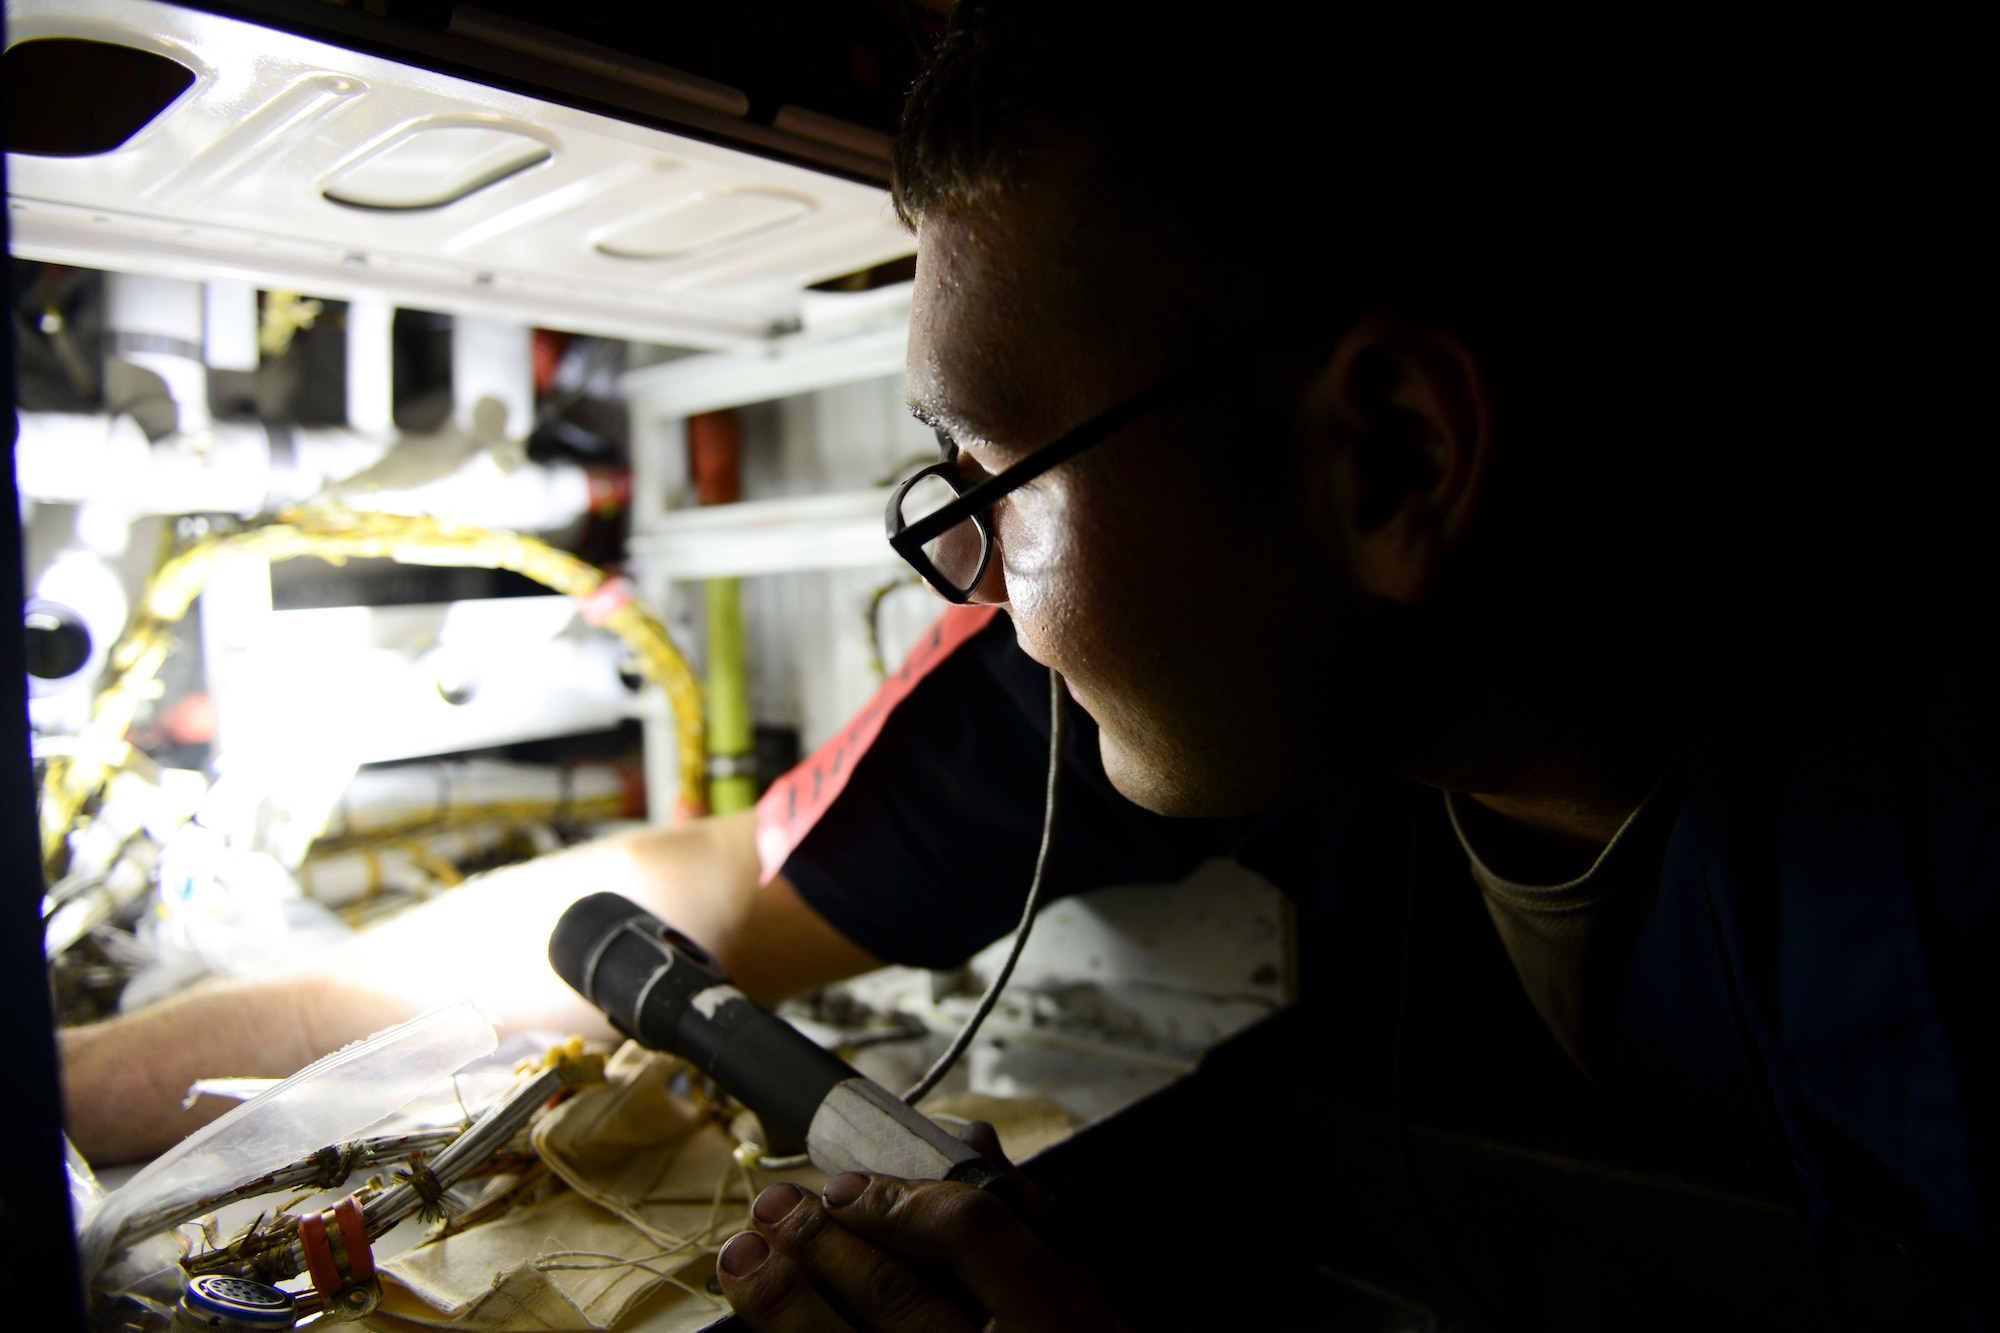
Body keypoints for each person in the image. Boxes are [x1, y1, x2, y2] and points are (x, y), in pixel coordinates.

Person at [61, 3, 1991, 1328]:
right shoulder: (1239, 649)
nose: (967, 579)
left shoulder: (1921, 847)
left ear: (1391, 458)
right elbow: (709, 891)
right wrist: (63, 1084)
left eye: (992, 475)